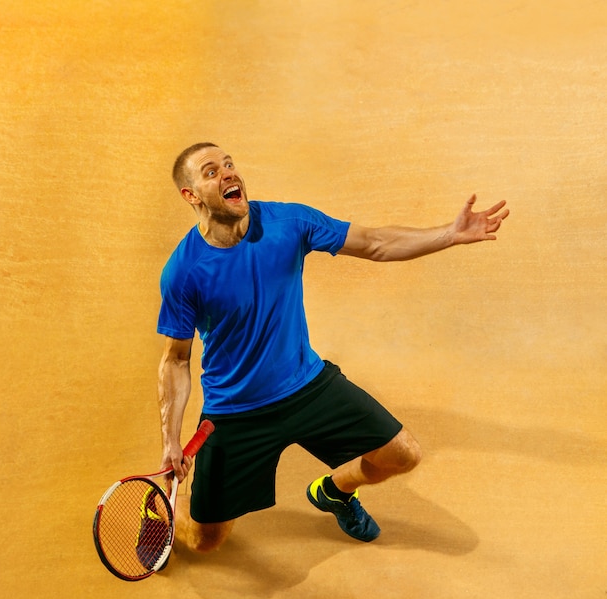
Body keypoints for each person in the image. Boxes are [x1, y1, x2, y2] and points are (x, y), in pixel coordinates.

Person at [157, 142, 509, 553]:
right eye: (211, 171)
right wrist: (170, 439)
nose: (229, 174)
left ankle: (333, 491)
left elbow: (375, 243)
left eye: (230, 164)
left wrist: (448, 234)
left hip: (306, 387)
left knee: (403, 455)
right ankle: (164, 511)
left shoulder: (288, 223)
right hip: (236, 411)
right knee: (205, 540)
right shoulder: (183, 272)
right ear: (191, 194)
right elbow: (176, 359)